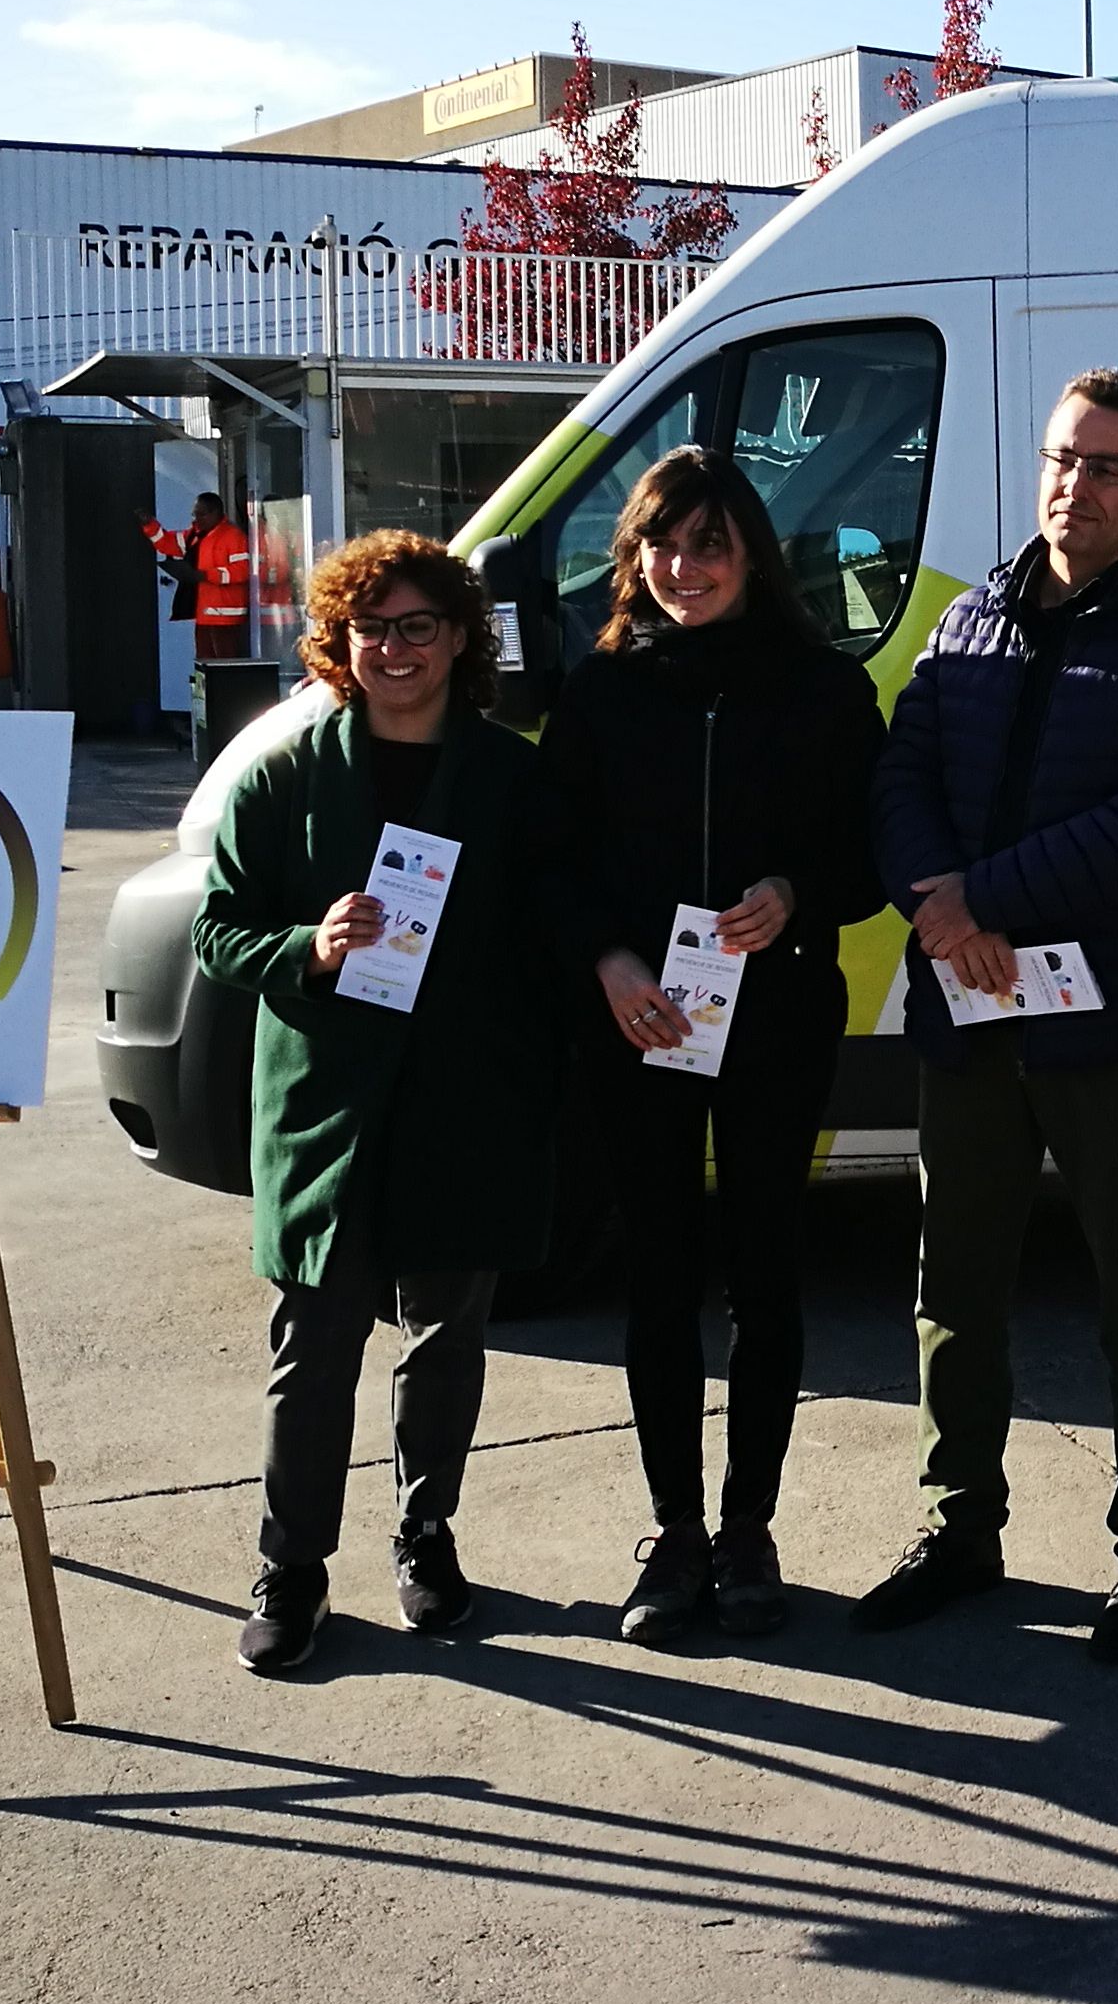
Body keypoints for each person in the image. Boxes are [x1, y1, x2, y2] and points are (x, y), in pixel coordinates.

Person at [855, 369, 1118, 1662]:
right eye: (1065, 459)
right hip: (969, 1021)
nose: (1079, 487)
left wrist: (985, 898)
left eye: (1112, 469)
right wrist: (935, 899)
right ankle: (960, 1523)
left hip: (1110, 1030)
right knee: (954, 1285)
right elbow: (903, 772)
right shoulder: (969, 619)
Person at [191, 529, 568, 1674]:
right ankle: (290, 1570)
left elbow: (552, 928)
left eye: (417, 627)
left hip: (466, 1099)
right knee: (314, 1349)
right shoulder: (285, 773)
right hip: (329, 1111)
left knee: (445, 1341)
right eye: (372, 629)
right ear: (340, 645)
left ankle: (426, 1538)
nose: (394, 649)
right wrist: (310, 945)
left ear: (460, 639)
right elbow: (218, 932)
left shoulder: (511, 775)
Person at [546, 447, 885, 1646]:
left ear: (751, 557)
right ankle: (673, 1534)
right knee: (654, 1277)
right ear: (633, 557)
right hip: (640, 1018)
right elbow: (556, 861)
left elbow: (864, 857)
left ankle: (749, 1530)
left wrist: (794, 894)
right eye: (663, 546)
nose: (684, 569)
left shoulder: (825, 691)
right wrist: (609, 960)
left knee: (766, 1274)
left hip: (777, 1014)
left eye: (710, 547)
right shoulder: (597, 693)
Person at [145, 493, 254, 654]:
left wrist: (205, 575)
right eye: (194, 514)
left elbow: (243, 570)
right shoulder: (194, 535)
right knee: (204, 668)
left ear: (215, 512)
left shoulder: (233, 536)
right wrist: (149, 525)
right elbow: (167, 543)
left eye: (201, 514)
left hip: (227, 619)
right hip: (204, 616)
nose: (196, 519)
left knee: (227, 669)